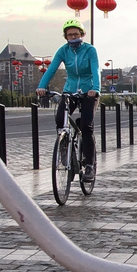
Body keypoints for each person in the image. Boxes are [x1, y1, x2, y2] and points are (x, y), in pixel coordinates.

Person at [36, 18, 101, 174]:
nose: (73, 37)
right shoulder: (63, 51)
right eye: (70, 35)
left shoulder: (89, 50)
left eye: (76, 34)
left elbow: (96, 69)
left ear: (82, 34)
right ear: (65, 37)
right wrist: (41, 86)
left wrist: (95, 88)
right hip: (70, 90)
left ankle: (90, 165)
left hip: (89, 91)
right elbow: (51, 69)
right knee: (60, 120)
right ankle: (65, 148)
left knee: (86, 126)